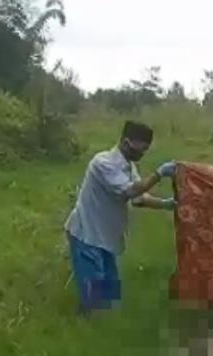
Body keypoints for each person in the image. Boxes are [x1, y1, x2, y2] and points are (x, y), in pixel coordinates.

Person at [64, 120, 177, 315]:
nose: (142, 155)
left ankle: (102, 326)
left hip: (106, 237)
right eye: (140, 150)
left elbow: (139, 198)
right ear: (126, 143)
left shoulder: (128, 165)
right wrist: (159, 174)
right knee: (95, 300)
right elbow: (130, 192)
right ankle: (86, 326)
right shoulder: (103, 163)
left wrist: (167, 204)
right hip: (87, 235)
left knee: (110, 300)